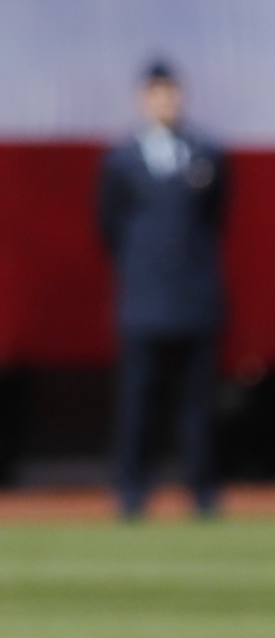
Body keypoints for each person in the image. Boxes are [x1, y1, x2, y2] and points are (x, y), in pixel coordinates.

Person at [99, 62, 232, 521]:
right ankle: (132, 492)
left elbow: (215, 218)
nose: (166, 103)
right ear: (143, 99)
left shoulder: (207, 153)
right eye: (157, 94)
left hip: (195, 297)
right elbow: (109, 227)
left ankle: (202, 491)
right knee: (138, 402)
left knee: (197, 404)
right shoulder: (121, 159)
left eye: (172, 94)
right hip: (143, 300)